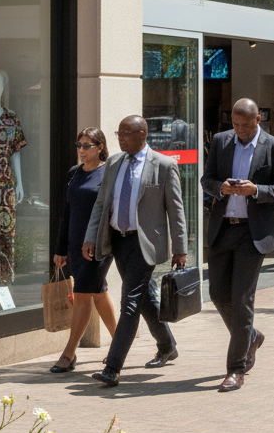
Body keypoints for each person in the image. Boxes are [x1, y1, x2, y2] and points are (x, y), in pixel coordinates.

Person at [82, 116, 187, 387]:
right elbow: (101, 204)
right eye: (119, 132)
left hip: (145, 243)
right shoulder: (114, 163)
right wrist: (91, 237)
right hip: (118, 241)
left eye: (126, 133)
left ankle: (113, 367)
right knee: (143, 299)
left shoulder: (163, 165)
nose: (121, 138)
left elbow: (176, 210)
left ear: (142, 134)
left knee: (129, 302)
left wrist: (180, 248)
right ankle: (167, 345)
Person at [202, 98, 274, 392]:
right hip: (222, 229)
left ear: (258, 120)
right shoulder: (221, 141)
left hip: (252, 233)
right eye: (235, 124)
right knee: (218, 294)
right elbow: (206, 179)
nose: (239, 130)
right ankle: (251, 336)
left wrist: (257, 190)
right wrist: (220, 188)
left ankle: (236, 368)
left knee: (242, 298)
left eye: (245, 125)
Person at [50, 128, 118, 372]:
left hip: (99, 245)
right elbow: (67, 213)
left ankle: (68, 354)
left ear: (100, 147)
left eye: (87, 146)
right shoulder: (74, 173)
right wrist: (60, 248)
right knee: (98, 293)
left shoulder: (108, 172)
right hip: (75, 243)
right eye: (79, 145)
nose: (81, 150)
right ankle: (120, 344)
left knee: (81, 294)